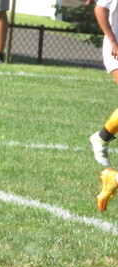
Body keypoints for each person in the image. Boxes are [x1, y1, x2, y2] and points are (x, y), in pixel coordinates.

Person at [90, 0, 118, 166]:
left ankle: (103, 137)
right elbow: (100, 9)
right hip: (115, 48)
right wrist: (113, 40)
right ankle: (102, 138)